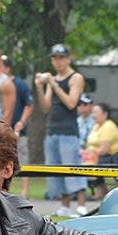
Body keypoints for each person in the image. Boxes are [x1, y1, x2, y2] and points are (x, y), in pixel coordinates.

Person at [35, 43, 88, 217]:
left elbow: (72, 103)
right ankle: (65, 205)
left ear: (68, 59)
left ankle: (81, 205)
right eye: (55, 58)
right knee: (56, 169)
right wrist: (40, 87)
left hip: (68, 130)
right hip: (53, 129)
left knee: (72, 167)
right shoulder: (53, 80)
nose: (58, 62)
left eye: (61, 58)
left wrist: (54, 84)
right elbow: (45, 107)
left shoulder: (75, 77)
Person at [1, 55, 33, 199]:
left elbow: (29, 104)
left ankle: (24, 191)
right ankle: (4, 190)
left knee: (22, 159)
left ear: (7, 68)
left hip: (17, 131)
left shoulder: (19, 84)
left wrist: (22, 121)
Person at [84, 102, 118, 200]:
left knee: (90, 164)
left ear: (105, 114)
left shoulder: (109, 126)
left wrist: (90, 155)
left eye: (96, 112)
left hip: (112, 157)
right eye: (92, 112)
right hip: (98, 156)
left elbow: (104, 150)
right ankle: (101, 189)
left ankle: (101, 190)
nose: (93, 115)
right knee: (82, 163)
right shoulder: (96, 126)